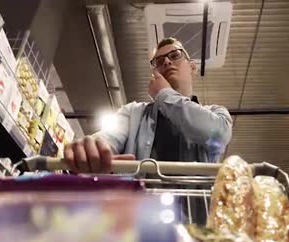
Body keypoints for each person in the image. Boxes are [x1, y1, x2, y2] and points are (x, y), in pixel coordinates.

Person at [64, 37, 233, 173]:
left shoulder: (216, 113)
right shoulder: (133, 113)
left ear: (192, 68)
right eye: (159, 61)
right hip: (138, 213)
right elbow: (109, 138)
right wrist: (92, 149)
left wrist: (164, 94)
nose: (166, 62)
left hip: (195, 213)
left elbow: (218, 136)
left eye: (175, 56)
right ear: (155, 73)